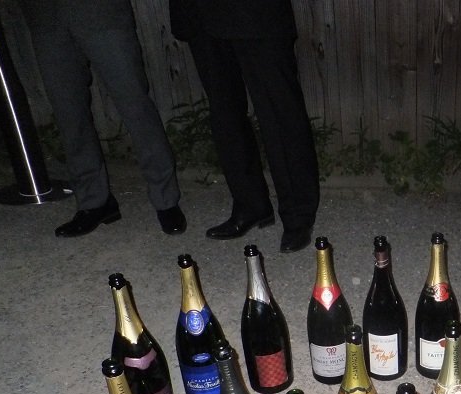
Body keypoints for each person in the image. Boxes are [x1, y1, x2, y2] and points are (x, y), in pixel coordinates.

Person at [21, 0, 186, 237]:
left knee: (135, 105)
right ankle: (93, 202)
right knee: (69, 115)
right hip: (45, 16)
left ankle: (166, 198)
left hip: (102, 11)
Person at [169, 0, 320, 252]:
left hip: (256, 10)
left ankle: (298, 213)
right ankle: (250, 204)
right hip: (198, 12)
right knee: (224, 112)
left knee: (279, 110)